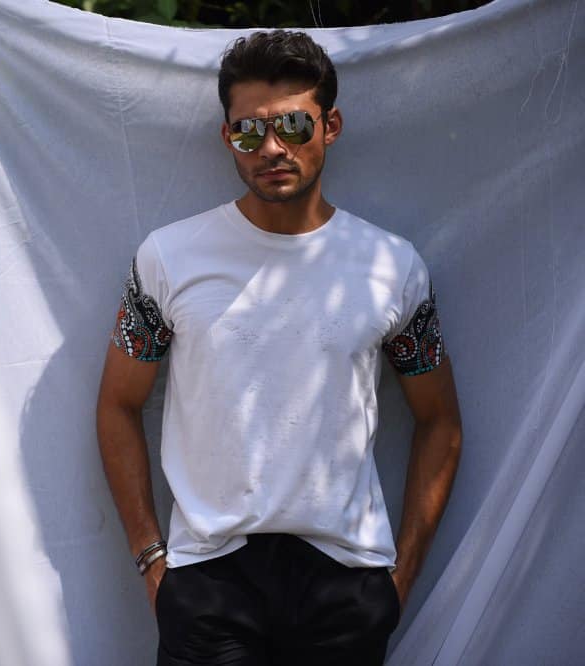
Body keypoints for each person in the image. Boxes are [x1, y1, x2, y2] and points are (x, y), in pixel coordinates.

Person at [95, 30, 462, 665]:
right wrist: (154, 562)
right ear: (227, 137)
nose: (270, 147)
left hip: (345, 583)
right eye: (248, 131)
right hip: (210, 584)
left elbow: (441, 422)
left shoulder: (391, 266)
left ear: (330, 125)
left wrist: (398, 579)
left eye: (293, 124)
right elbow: (116, 405)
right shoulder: (169, 258)